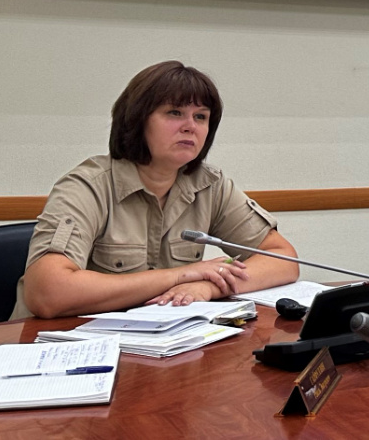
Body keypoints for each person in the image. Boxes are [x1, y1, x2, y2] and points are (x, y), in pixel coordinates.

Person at [15, 62, 299, 319]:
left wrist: (208, 286)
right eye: (175, 113)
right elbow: (47, 293)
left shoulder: (210, 185)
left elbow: (283, 259)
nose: (190, 127)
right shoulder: (88, 186)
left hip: (161, 340)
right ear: (137, 120)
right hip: (65, 344)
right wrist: (180, 276)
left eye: (201, 117)